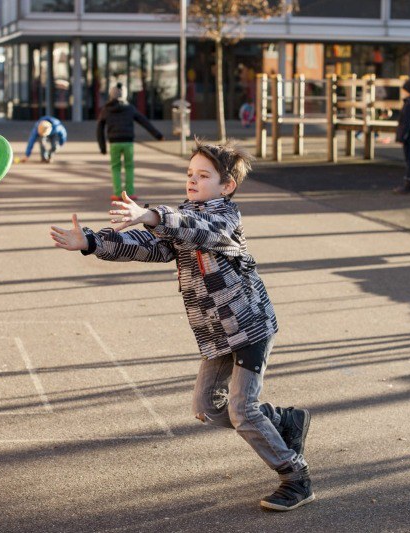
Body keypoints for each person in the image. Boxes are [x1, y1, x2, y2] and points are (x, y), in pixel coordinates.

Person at [49, 139, 314, 512]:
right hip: (216, 333)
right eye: (190, 173)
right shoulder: (182, 220)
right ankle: (283, 420)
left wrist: (153, 214)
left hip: (249, 325)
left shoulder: (225, 219)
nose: (192, 180)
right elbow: (146, 245)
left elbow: (195, 228)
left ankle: (296, 477)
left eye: (203, 175)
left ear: (227, 186)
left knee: (242, 409)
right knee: (208, 407)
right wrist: (91, 241)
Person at [97, 82, 164, 201]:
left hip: (114, 143)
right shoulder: (130, 108)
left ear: (111, 95)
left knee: (115, 167)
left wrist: (102, 147)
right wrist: (158, 135)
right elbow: (144, 122)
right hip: (128, 142)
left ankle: (117, 194)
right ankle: (130, 193)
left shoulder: (106, 109)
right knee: (129, 167)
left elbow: (99, 128)